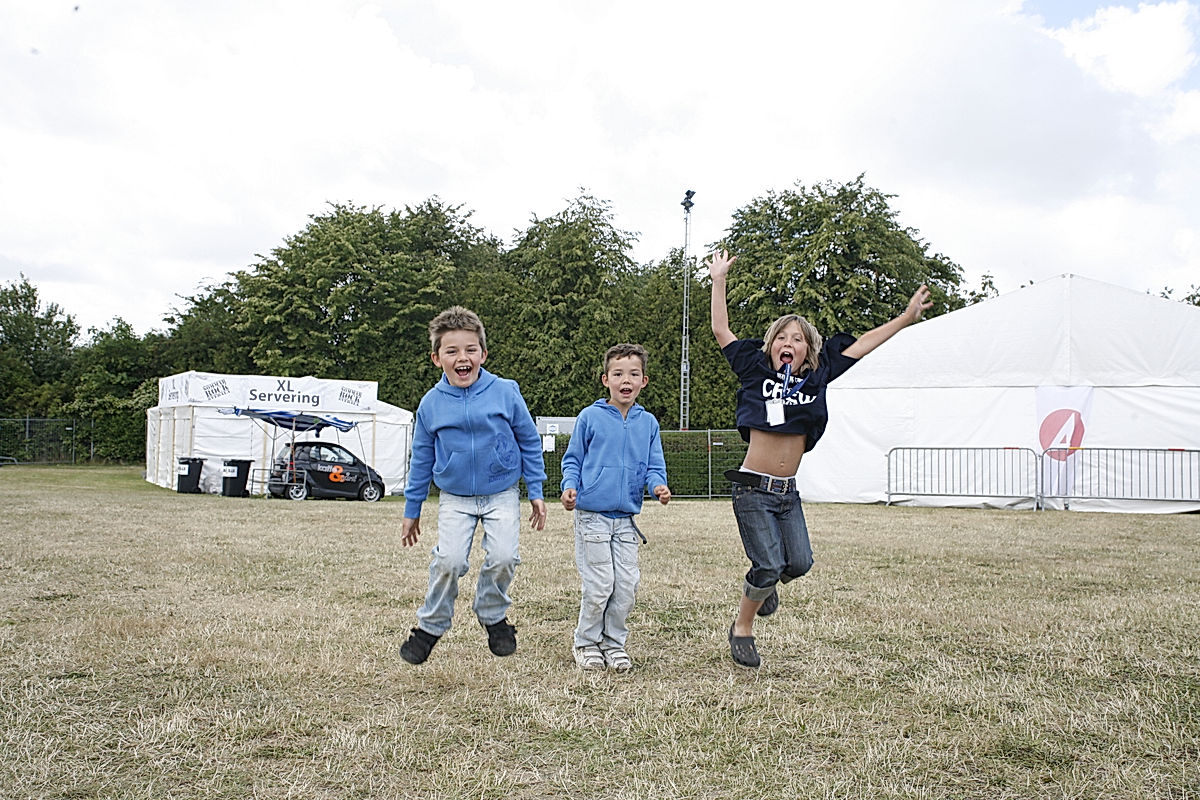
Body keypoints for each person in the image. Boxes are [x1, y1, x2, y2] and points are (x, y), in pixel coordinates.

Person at [708, 249, 931, 668]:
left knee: (801, 563)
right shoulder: (756, 370)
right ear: (771, 345)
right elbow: (721, 330)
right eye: (780, 337)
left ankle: (767, 583)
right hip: (752, 489)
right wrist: (719, 278)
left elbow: (863, 344)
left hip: (787, 493)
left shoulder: (819, 373)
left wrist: (905, 318)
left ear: (809, 348)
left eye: (797, 338)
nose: (787, 343)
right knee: (768, 563)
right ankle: (743, 628)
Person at [399, 306, 548, 665]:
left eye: (470, 350)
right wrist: (412, 510)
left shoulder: (506, 392)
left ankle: (493, 615)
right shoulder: (431, 404)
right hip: (455, 497)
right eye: (451, 351)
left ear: (483, 353)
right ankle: (430, 626)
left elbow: (529, 440)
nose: (461, 358)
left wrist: (537, 490)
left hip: (501, 492)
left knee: (503, 557)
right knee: (448, 561)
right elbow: (420, 459)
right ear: (437, 358)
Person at [560, 343, 671, 672]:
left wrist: (658, 487)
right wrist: (570, 488)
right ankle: (586, 643)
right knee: (599, 584)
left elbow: (655, 466)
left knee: (626, 585)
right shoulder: (590, 417)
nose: (626, 380)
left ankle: (613, 644)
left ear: (643, 381)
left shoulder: (648, 423)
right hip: (591, 517)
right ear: (605, 379)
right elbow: (573, 460)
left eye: (633, 374)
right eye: (618, 373)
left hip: (625, 520)